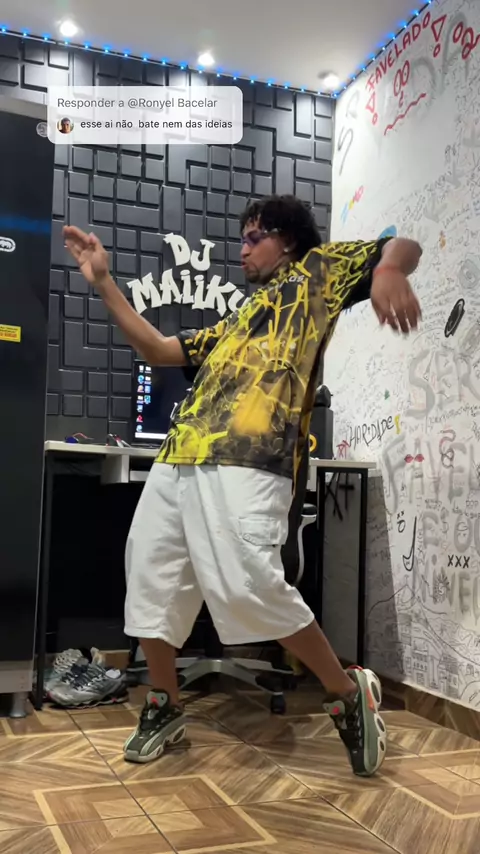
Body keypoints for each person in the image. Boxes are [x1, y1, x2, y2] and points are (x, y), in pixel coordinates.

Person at [64, 194, 422, 776]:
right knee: (150, 580)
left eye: (255, 237)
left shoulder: (318, 272)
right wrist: (103, 281)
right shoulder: (234, 322)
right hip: (181, 455)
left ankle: (345, 692)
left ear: (288, 241)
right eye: (242, 238)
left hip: (252, 458)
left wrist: (387, 272)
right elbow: (157, 348)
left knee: (249, 585)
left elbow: (402, 246)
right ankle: (163, 705)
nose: (243, 248)